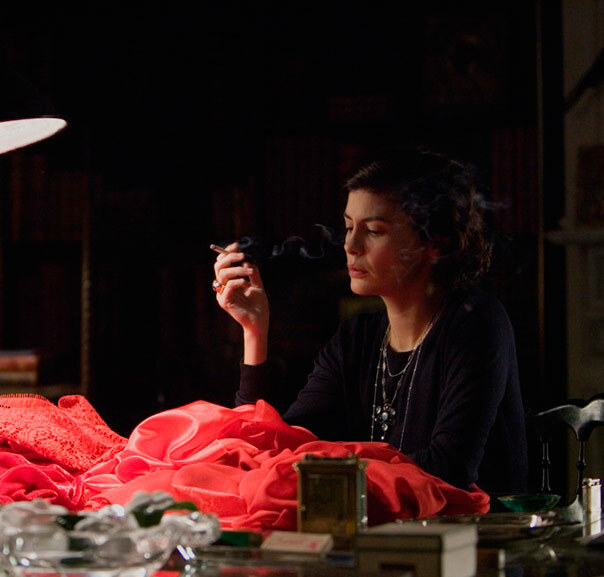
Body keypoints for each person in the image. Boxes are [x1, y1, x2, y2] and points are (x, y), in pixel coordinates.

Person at [212, 148, 527, 496]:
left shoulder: (477, 323)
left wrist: (329, 463)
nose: (351, 245)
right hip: (378, 525)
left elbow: (447, 470)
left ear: (435, 242)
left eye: (374, 230)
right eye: (349, 227)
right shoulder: (357, 338)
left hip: (471, 527)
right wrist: (255, 331)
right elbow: (276, 450)